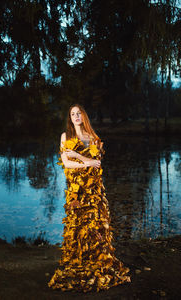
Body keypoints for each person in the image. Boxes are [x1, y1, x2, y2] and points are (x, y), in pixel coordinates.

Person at [47, 104, 131, 292]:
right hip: (77, 191)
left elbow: (98, 163)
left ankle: (97, 261)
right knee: (78, 225)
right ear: (70, 118)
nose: (76, 116)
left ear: (84, 116)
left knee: (96, 226)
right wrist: (83, 159)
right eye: (72, 114)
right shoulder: (65, 137)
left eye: (79, 113)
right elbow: (67, 164)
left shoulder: (92, 137)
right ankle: (79, 262)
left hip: (94, 191)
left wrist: (83, 159)